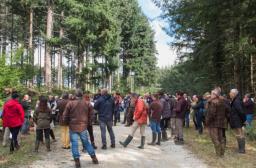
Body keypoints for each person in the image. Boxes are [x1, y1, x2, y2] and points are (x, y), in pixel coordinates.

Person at [63, 89, 98, 168]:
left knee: (75, 144)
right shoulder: (87, 103)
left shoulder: (70, 103)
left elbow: (65, 115)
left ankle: (77, 162)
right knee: (86, 142)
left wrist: (66, 123)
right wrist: (89, 123)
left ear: (75, 95)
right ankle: (94, 158)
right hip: (83, 126)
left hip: (73, 126)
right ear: (82, 95)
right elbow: (92, 115)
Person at [205, 89, 230, 157]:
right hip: (221, 123)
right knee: (221, 138)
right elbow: (228, 111)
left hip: (213, 123)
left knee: (215, 139)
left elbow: (211, 114)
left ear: (215, 95)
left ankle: (218, 154)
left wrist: (207, 123)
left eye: (212, 94)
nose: (210, 95)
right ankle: (222, 154)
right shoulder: (223, 101)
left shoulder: (212, 102)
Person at [229, 89, 246, 154]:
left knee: (240, 134)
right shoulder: (235, 100)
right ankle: (240, 148)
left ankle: (242, 150)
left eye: (230, 93)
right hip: (236, 120)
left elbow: (241, 111)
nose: (229, 94)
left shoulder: (236, 101)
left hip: (238, 120)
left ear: (234, 94)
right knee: (238, 134)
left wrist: (244, 120)